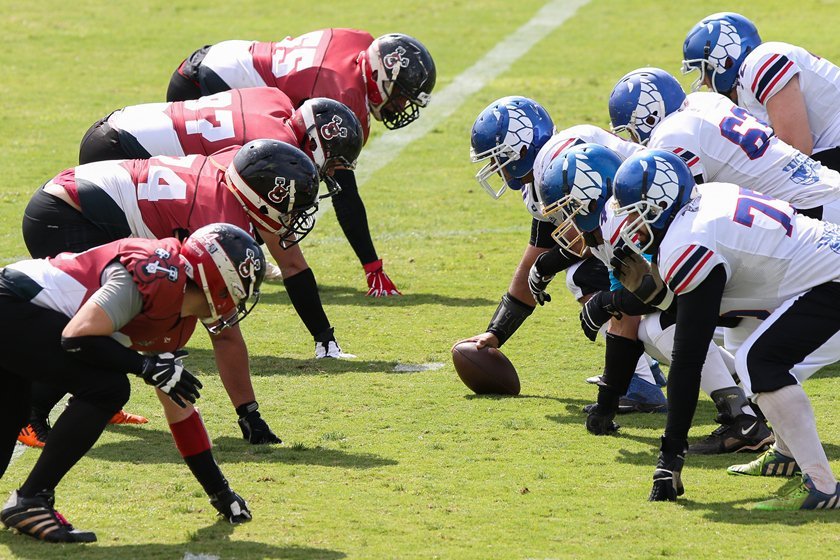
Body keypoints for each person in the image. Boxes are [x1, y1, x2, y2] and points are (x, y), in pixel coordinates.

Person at [18, 139, 318, 447]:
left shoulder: (231, 174)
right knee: (110, 319)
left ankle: (91, 397)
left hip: (76, 200)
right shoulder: (219, 217)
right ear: (260, 197)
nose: (291, 217)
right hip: (69, 213)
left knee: (130, 316)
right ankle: (31, 410)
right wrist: (249, 414)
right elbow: (223, 332)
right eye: (289, 208)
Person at [0, 223, 263, 542]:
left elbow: (180, 411)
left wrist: (221, 491)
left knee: (11, 411)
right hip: (14, 302)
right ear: (218, 283)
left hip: (18, 311)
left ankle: (30, 502)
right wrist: (144, 366)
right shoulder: (157, 275)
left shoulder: (177, 313)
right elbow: (76, 337)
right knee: (107, 388)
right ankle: (32, 500)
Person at [613, 149, 840, 510]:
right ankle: (786, 453)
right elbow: (718, 305)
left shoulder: (685, 243)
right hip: (819, 267)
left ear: (659, 206)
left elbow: (688, 357)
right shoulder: (705, 199)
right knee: (755, 353)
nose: (632, 228)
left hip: (830, 279)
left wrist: (669, 457)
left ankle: (822, 486)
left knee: (759, 362)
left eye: (636, 215)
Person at [534, 144, 772, 453]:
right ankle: (747, 386)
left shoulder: (624, 223)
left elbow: (665, 294)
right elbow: (628, 319)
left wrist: (605, 302)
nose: (565, 220)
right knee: (652, 327)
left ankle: (742, 417)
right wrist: (606, 402)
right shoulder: (609, 229)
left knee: (663, 324)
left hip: (761, 286)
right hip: (740, 283)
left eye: (569, 209)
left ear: (590, 196)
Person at [167, 29, 438, 296]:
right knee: (262, 187)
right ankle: (184, 265)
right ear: (381, 77)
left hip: (219, 56)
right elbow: (345, 194)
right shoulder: (344, 94)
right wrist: (372, 266)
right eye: (401, 95)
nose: (401, 106)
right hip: (212, 84)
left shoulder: (361, 43)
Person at [463, 96, 667, 415]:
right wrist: (497, 331)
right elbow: (538, 256)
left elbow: (586, 241)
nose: (495, 169)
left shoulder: (558, 163)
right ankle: (643, 366)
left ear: (518, 150)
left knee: (583, 275)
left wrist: (547, 267)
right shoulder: (549, 169)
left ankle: (639, 381)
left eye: (497, 159)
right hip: (650, 225)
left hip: (659, 224)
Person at [608, 67, 840, 222]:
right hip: (824, 185)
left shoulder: (671, 135)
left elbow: (681, 215)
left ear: (649, 116)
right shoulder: (705, 101)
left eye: (630, 130)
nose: (633, 139)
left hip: (810, 211)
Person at [681, 12, 840, 170]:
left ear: (725, 61)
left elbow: (796, 147)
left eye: (703, 70)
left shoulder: (760, 61)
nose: (702, 82)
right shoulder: (746, 83)